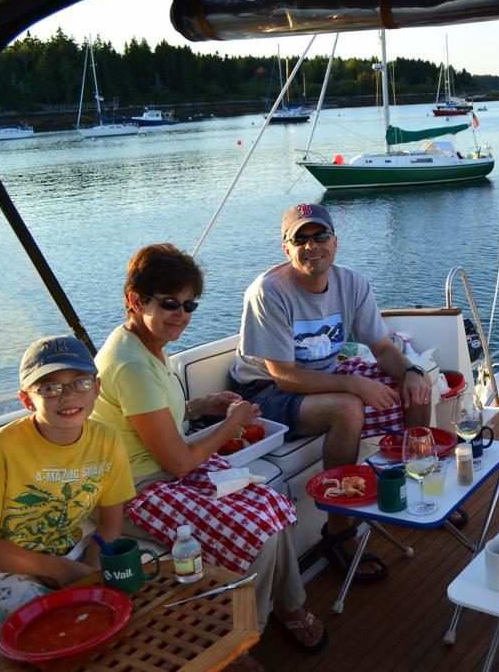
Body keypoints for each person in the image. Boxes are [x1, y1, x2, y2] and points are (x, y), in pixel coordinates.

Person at [91, 243, 325, 667]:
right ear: (134, 300)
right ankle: (228, 642)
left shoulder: (146, 344)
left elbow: (153, 419)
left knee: (274, 502)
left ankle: (286, 607)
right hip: (137, 490)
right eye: (168, 303)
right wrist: (232, 423)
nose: (180, 314)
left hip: (166, 470)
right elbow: (179, 461)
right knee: (259, 531)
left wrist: (202, 407)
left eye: (188, 304)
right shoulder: (130, 364)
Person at [231, 203, 435, 582]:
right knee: (348, 408)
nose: (312, 246)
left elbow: (384, 349)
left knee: (418, 385)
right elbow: (285, 376)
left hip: (323, 374)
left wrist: (411, 370)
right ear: (286, 249)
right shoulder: (269, 292)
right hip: (264, 393)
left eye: (320, 236)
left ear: (335, 242)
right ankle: (339, 533)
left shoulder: (351, 283)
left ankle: (413, 490)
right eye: (301, 239)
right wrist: (356, 384)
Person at [0, 335, 134, 631]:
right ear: (28, 400)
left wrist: (89, 573)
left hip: (66, 552)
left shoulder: (107, 440)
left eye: (80, 382)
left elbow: (109, 526)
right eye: (50, 388)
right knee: (56, 629)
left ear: (97, 388)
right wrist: (60, 570)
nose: (67, 396)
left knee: (124, 607)